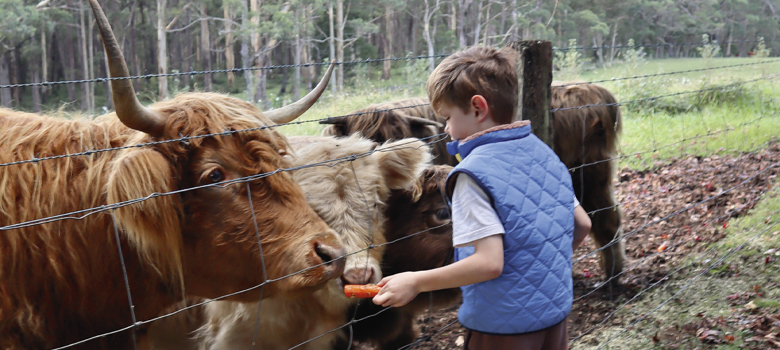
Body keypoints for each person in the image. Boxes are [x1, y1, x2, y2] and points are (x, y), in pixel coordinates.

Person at [372, 46, 592, 350]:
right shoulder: (544, 153)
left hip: (502, 326)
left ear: (478, 108)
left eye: (448, 117)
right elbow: (582, 224)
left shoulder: (470, 176)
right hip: (554, 313)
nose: (446, 129)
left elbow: (489, 264)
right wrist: (538, 268)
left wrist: (415, 282)